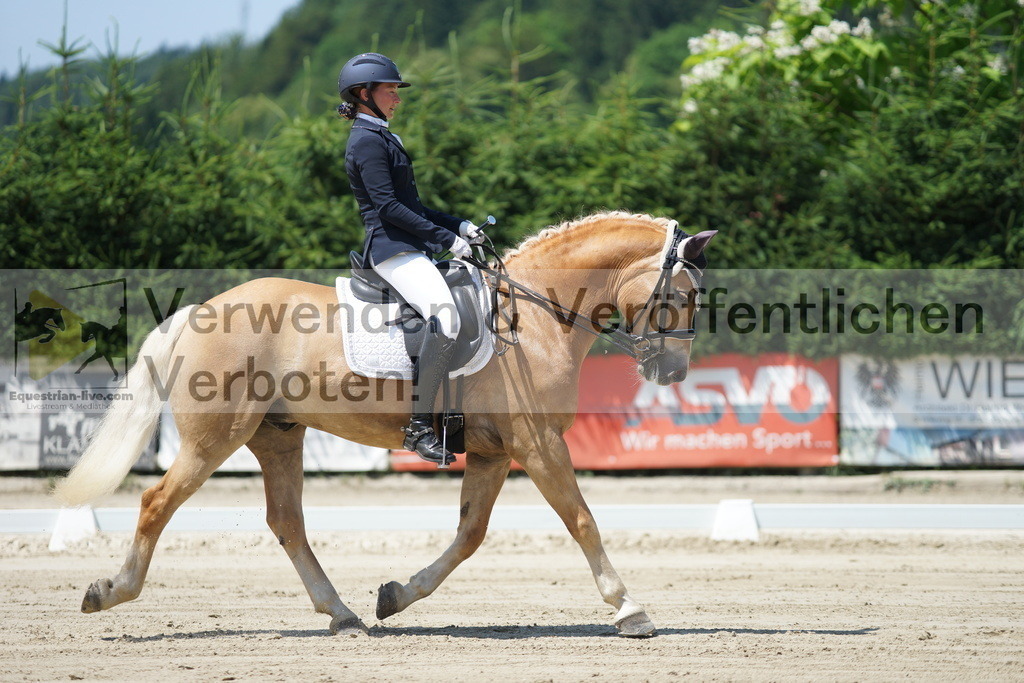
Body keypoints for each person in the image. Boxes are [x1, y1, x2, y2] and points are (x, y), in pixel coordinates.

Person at [338, 52, 482, 465]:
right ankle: (419, 427)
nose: (397, 98)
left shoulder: (381, 135)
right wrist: (444, 239)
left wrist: (460, 226)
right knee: (447, 318)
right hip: (390, 249)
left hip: (409, 245)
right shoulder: (366, 141)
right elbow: (388, 209)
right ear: (364, 94)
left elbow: (412, 205)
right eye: (390, 91)